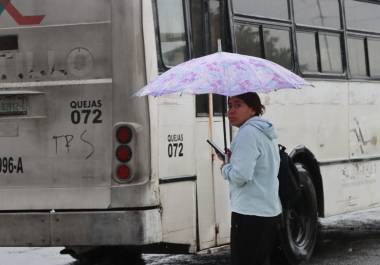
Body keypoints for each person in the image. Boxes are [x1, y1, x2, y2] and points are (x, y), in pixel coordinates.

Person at [220, 92, 282, 265]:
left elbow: (241, 176)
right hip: (268, 211)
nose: (231, 111)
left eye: (238, 105)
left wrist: (225, 168)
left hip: (249, 214)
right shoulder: (265, 131)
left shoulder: (247, 133)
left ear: (253, 108)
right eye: (229, 105)